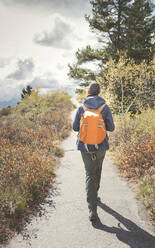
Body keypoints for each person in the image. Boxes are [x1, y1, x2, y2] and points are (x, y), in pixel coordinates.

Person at [73, 82, 115, 222]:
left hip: (84, 146)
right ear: (99, 92)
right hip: (101, 145)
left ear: (88, 91)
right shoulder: (105, 107)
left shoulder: (81, 107)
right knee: (97, 170)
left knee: (89, 173)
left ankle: (92, 209)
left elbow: (74, 128)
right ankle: (95, 193)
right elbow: (111, 128)